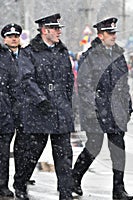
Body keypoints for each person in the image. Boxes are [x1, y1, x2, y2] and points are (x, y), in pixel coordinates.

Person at [13, 13, 74, 200]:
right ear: (45, 30)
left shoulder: (62, 52)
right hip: (38, 111)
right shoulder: (29, 52)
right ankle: (20, 183)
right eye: (55, 29)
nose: (59, 32)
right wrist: (41, 99)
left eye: (59, 28)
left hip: (60, 111)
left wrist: (67, 103)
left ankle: (65, 192)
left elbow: (69, 79)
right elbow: (26, 79)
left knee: (64, 155)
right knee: (31, 154)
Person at [72, 17, 133, 200]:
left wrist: (128, 106)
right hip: (97, 110)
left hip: (116, 111)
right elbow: (84, 85)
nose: (113, 36)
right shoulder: (89, 56)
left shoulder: (119, 54)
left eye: (115, 32)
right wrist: (91, 110)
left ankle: (119, 189)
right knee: (93, 147)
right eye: (110, 33)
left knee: (118, 151)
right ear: (100, 35)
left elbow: (124, 84)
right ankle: (74, 177)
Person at [0, 24, 20, 198]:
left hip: (8, 112)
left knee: (4, 153)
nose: (14, 38)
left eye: (16, 35)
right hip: (4, 108)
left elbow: (15, 87)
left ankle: (3, 184)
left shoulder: (20, 56)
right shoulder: (4, 56)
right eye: (10, 36)